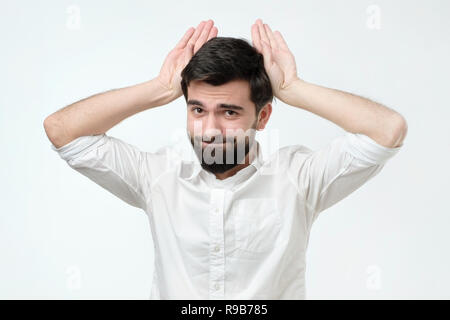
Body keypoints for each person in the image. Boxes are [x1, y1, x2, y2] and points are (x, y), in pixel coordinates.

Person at [43, 18, 408, 299]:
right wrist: (158, 89)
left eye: (229, 113)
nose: (209, 128)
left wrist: (294, 89)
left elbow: (387, 130)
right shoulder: (158, 177)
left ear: (262, 117)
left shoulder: (298, 178)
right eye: (197, 109)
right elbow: (63, 130)